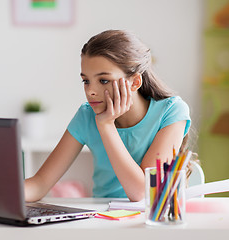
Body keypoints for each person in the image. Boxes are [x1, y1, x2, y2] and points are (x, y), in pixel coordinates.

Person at [25, 30, 191, 202]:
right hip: (101, 219)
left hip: (148, 218)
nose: (90, 91)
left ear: (134, 82)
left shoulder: (171, 112)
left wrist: (106, 125)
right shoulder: (86, 115)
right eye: (86, 81)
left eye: (103, 80)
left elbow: (142, 192)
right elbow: (39, 184)